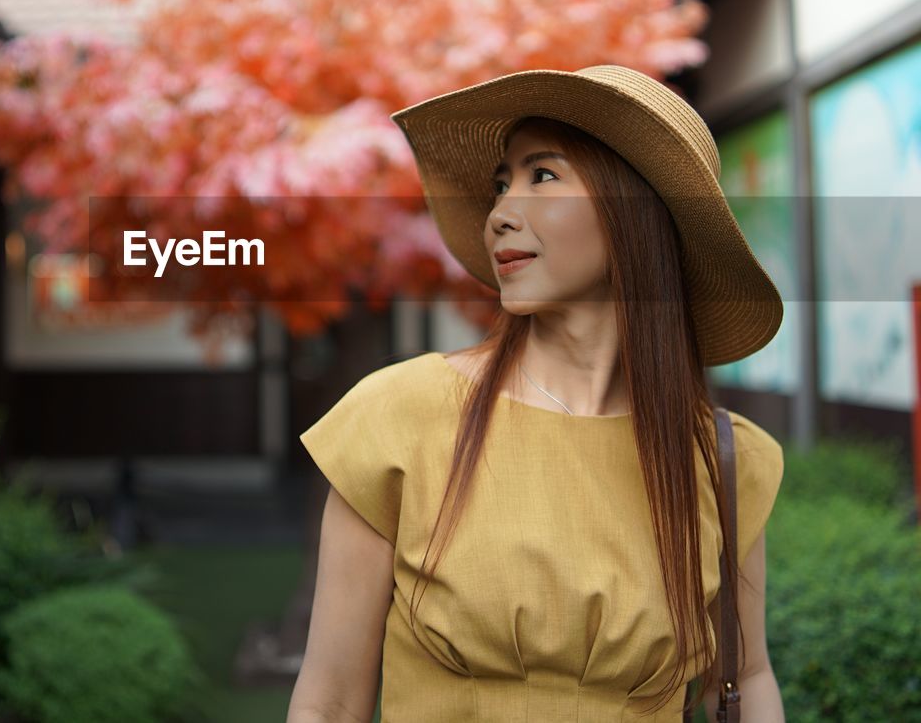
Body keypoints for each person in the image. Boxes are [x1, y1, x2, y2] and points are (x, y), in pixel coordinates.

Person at [286, 66, 786, 723]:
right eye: (500, 185)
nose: (497, 215)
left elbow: (746, 676)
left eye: (542, 176)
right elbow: (329, 700)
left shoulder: (724, 458)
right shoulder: (399, 415)